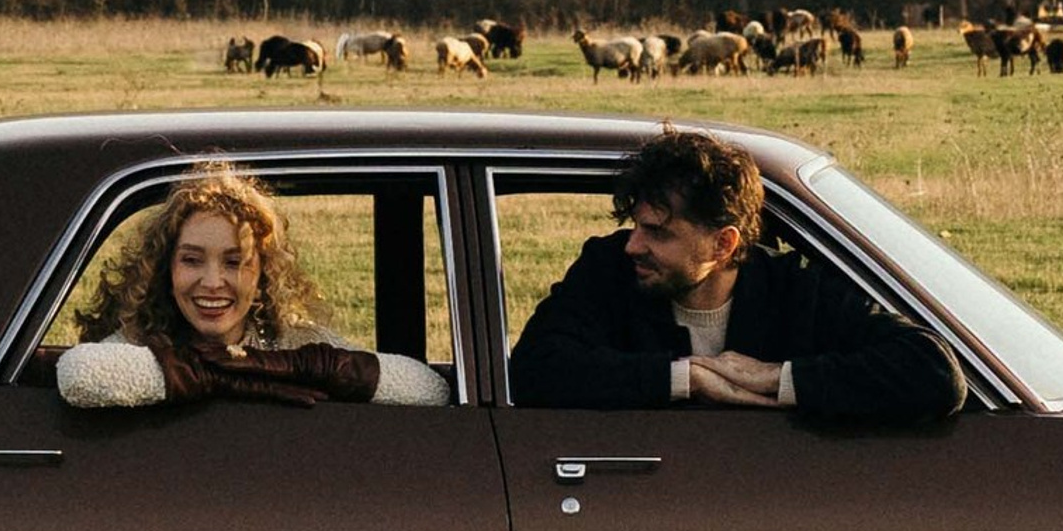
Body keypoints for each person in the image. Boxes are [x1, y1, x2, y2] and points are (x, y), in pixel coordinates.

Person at [507, 126, 965, 421]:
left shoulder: (797, 289)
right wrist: (685, 378)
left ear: (723, 244)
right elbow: (532, 371)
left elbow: (934, 374)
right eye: (635, 225)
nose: (633, 245)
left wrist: (776, 379)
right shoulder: (609, 270)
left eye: (658, 232)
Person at [55, 160, 450, 409]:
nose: (213, 282)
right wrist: (218, 374)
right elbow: (79, 375)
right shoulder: (141, 341)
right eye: (191, 260)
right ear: (165, 269)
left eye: (235, 262)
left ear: (262, 273)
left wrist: (295, 366)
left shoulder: (294, 342)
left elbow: (428, 389)